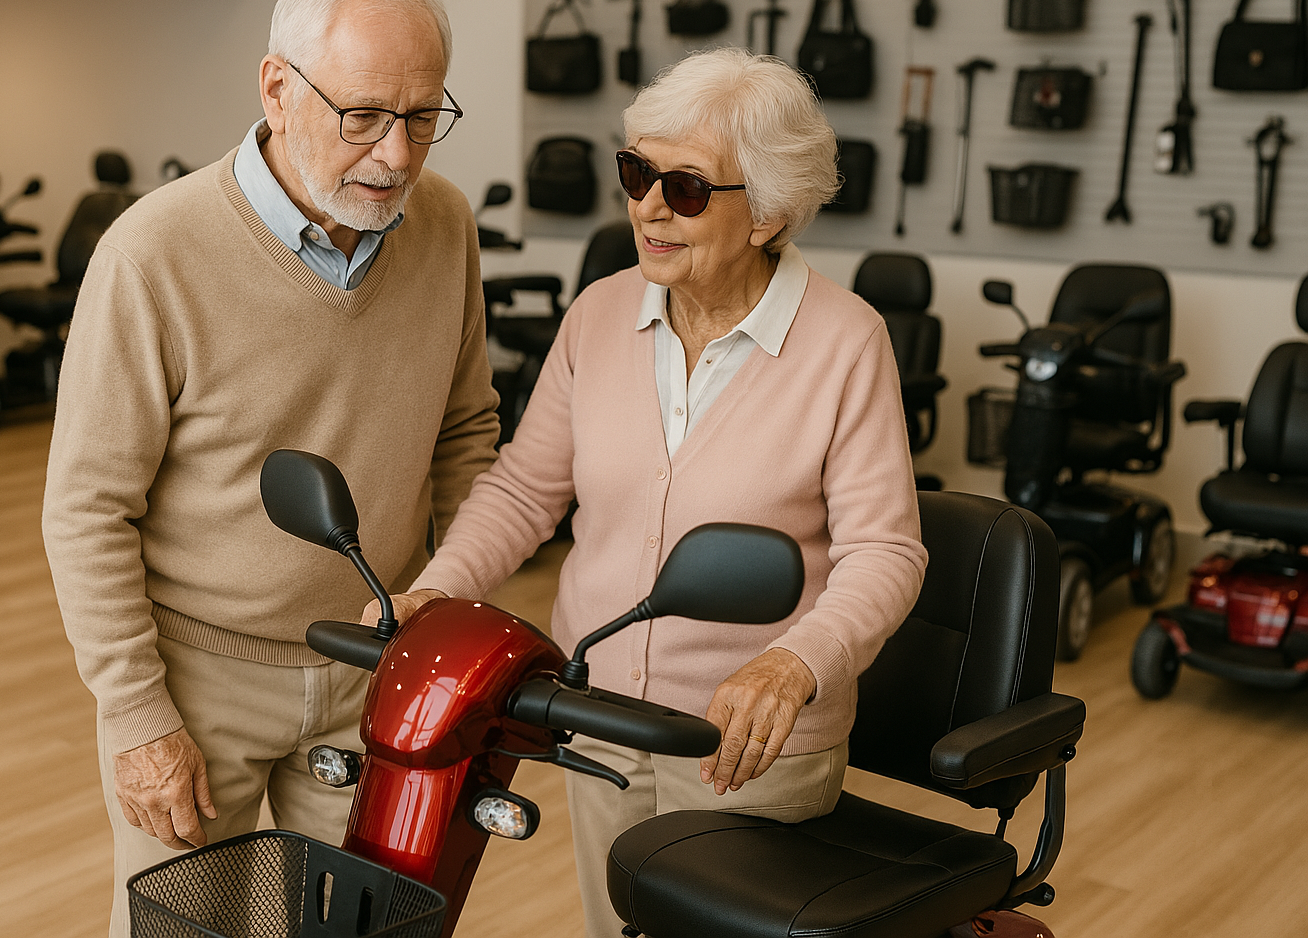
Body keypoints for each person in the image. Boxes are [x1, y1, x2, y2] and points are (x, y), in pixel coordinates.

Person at [373, 48, 928, 938]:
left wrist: (795, 663)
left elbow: (888, 552)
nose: (648, 206)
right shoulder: (598, 314)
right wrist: (441, 590)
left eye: (688, 187)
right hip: (596, 719)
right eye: (637, 172)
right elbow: (524, 488)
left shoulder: (846, 342)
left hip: (749, 746)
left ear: (771, 212)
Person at [42, 0, 499, 938]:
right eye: (365, 115)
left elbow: (467, 433)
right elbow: (86, 510)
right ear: (278, 89)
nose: (397, 155)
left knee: (366, 931)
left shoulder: (446, 225)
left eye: (423, 118)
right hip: (199, 678)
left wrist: (454, 608)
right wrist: (137, 717)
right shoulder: (151, 253)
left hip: (376, 670)